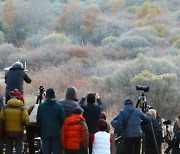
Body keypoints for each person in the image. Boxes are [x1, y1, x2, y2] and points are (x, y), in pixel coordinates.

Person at [37, 88, 65, 154]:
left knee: (46, 150)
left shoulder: (41, 106)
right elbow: (63, 119)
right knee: (56, 151)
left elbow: (38, 119)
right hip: (56, 132)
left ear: (46, 95)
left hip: (45, 131)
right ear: (54, 95)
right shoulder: (59, 106)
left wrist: (40, 129)